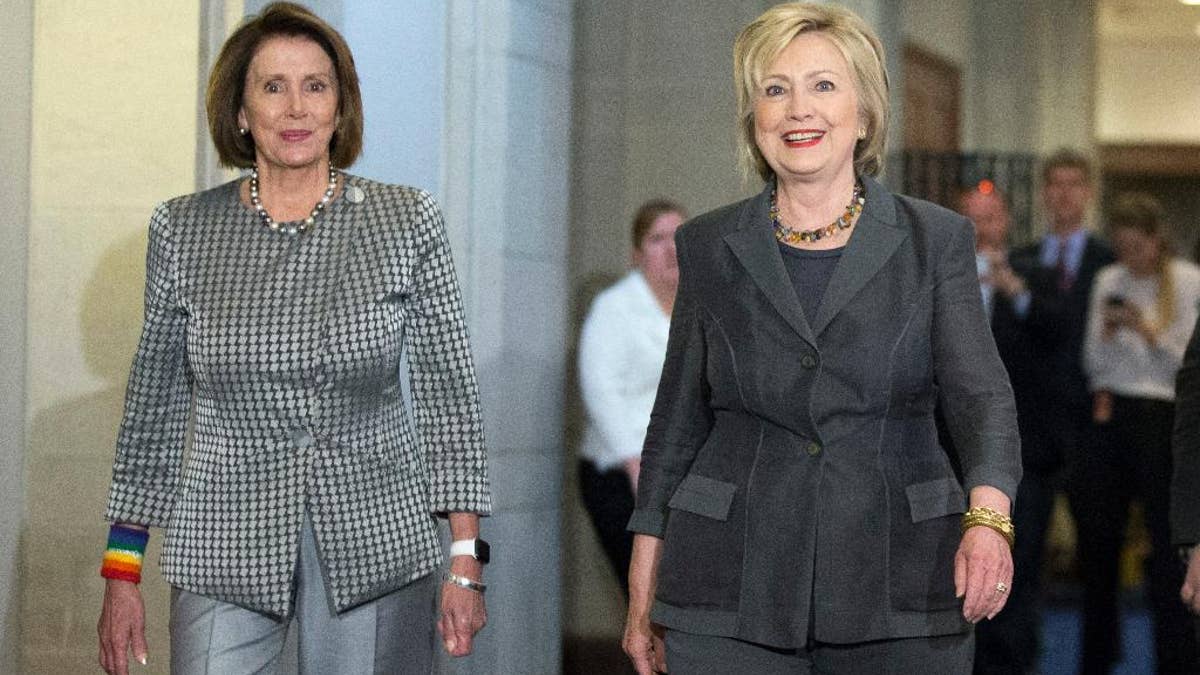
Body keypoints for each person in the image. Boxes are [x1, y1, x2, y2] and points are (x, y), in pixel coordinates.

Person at [621, 4, 1022, 673]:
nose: (797, 108)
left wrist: (990, 521)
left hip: (904, 582)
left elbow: (984, 401)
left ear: (864, 113)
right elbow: (675, 426)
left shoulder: (936, 241)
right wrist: (643, 587)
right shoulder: (709, 246)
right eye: (775, 89)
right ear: (755, 116)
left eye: (824, 86)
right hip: (729, 590)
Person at [95, 4, 491, 674]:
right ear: (241, 111)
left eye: (316, 85)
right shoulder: (184, 229)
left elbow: (449, 393)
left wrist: (465, 558)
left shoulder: (405, 220)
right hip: (222, 540)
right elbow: (152, 410)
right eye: (273, 86)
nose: (296, 107)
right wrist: (122, 570)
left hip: (374, 540)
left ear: (341, 106)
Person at [968, 150, 1115, 674]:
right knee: (1019, 555)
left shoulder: (1103, 260)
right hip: (1026, 435)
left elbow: (1065, 332)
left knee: (1097, 558)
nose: (1063, 194)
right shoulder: (1024, 261)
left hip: (1092, 429)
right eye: (1055, 184)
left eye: (1074, 184)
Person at [1077, 193, 1200, 674]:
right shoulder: (1109, 280)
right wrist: (1111, 336)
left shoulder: (1188, 281)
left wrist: (1147, 330)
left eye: (1137, 246)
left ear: (1156, 241)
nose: (1130, 257)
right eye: (1121, 246)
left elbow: (1186, 369)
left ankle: (1177, 658)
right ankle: (1097, 656)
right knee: (1099, 546)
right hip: (1114, 417)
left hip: (1167, 420)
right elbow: (1091, 362)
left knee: (1169, 550)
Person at [577, 199, 687, 595]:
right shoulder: (615, 307)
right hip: (622, 474)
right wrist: (634, 464)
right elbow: (599, 387)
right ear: (636, 254)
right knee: (647, 594)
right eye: (658, 239)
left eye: (679, 236)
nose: (672, 248)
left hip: (678, 470)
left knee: (680, 596)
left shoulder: (700, 306)